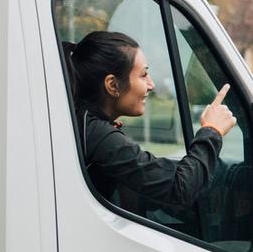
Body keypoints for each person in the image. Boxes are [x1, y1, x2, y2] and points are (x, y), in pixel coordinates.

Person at [65, 30, 237, 210]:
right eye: (143, 75)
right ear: (113, 85)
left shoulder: (85, 124)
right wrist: (212, 131)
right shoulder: (99, 135)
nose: (151, 85)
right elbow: (180, 189)